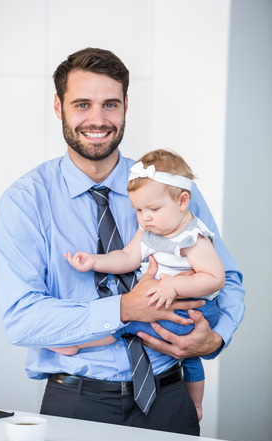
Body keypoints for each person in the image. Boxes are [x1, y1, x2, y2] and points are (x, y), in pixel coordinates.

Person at [0, 48, 245, 435]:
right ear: (59, 107)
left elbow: (226, 278)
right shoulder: (24, 202)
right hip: (75, 402)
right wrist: (126, 307)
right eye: (82, 104)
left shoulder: (172, 188)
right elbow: (21, 319)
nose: (98, 119)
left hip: (169, 398)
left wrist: (214, 338)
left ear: (126, 105)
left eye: (110, 104)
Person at [48, 149, 225, 421]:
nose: (145, 217)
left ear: (183, 201)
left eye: (153, 209)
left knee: (125, 322)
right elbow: (128, 257)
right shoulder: (150, 231)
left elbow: (215, 278)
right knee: (189, 357)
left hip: (195, 307)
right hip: (166, 302)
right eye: (139, 210)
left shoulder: (192, 237)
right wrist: (94, 261)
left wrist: (174, 287)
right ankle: (197, 406)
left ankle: (78, 345)